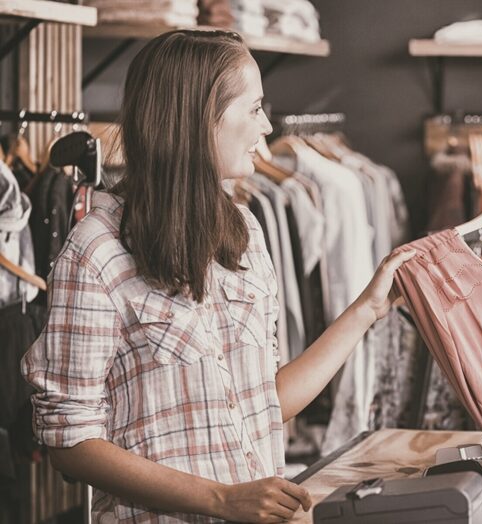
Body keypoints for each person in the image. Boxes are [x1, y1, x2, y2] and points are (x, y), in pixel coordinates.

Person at [20, 30, 414, 523]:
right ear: (198, 118)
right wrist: (222, 500)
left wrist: (368, 309)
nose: (267, 125)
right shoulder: (96, 252)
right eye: (254, 109)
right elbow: (71, 443)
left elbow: (262, 401)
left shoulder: (244, 232)